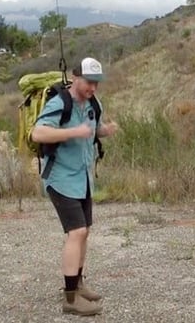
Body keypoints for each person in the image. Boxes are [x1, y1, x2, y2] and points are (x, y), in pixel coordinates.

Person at [31, 56, 119, 316]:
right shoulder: (60, 103)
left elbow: (93, 129)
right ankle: (70, 299)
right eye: (89, 82)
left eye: (96, 83)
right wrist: (72, 132)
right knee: (77, 232)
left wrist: (105, 131)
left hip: (82, 178)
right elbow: (39, 133)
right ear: (76, 77)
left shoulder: (93, 103)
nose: (93, 87)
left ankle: (78, 284)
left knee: (85, 231)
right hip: (60, 177)